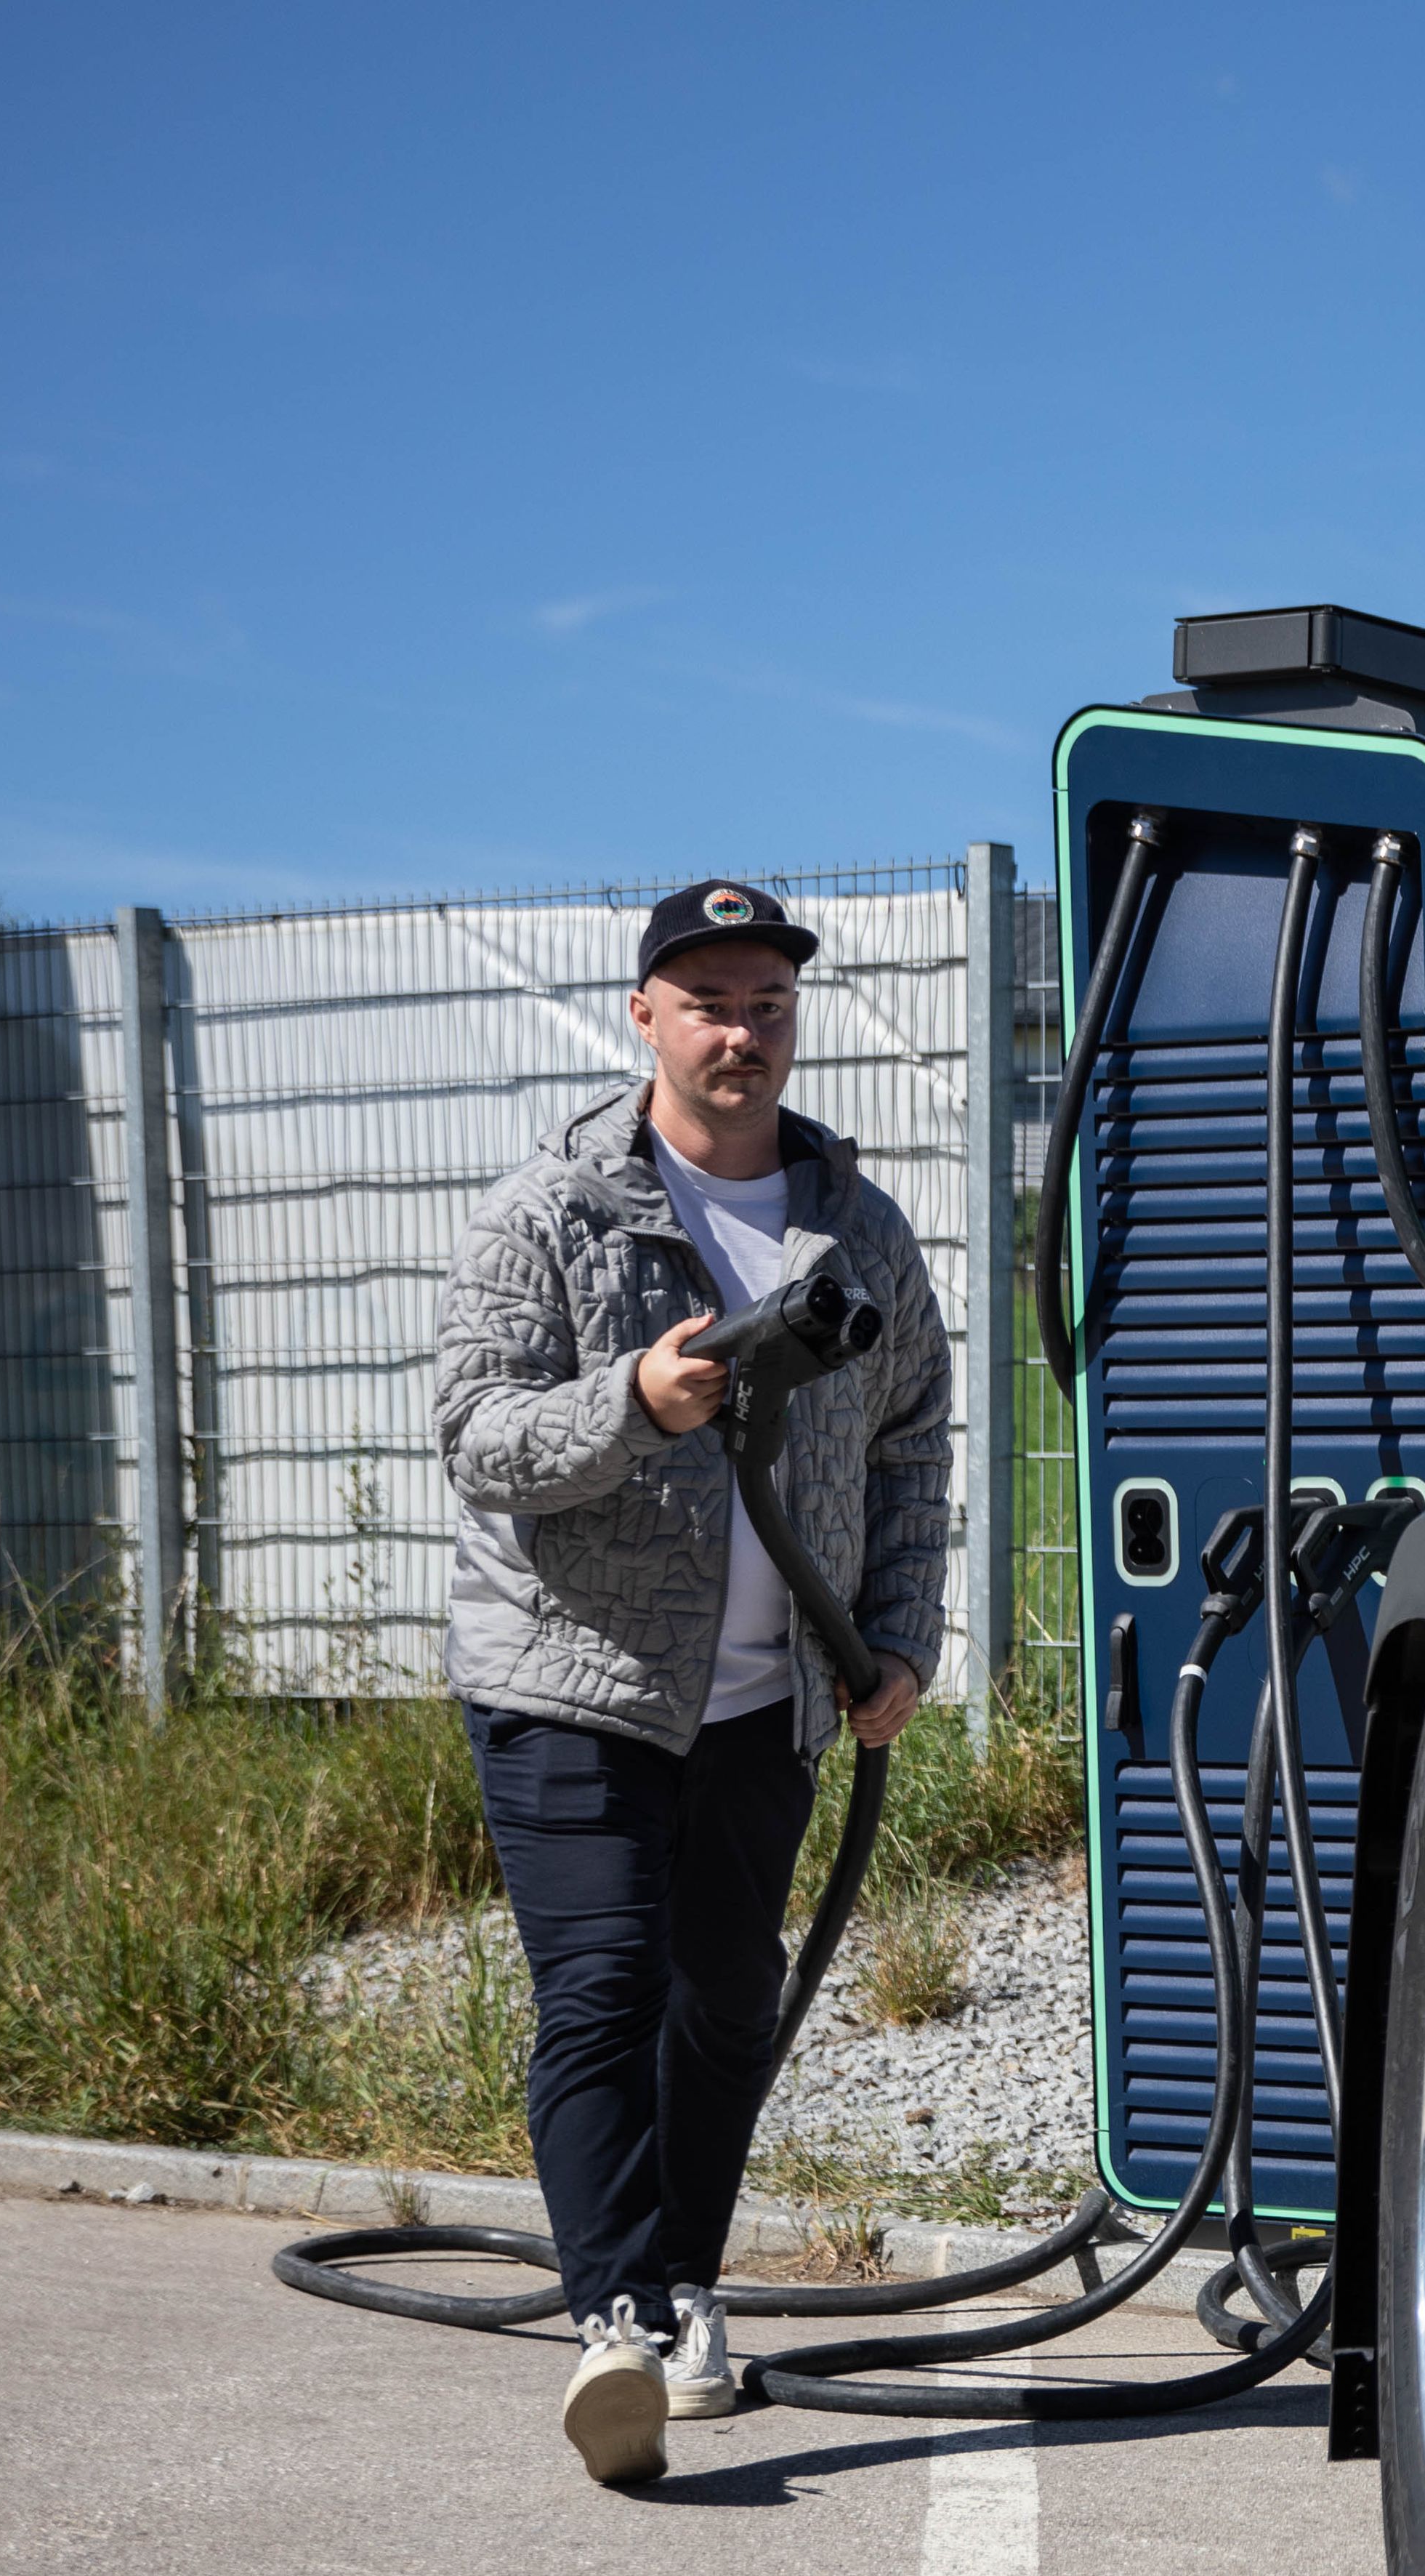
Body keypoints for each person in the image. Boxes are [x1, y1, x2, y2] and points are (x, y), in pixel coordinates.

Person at [432, 878, 948, 2485]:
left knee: (723, 2002)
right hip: (573, 1683)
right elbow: (476, 1436)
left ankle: (683, 2284)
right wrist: (634, 1405)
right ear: (644, 1014)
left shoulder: (855, 1225)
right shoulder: (554, 1212)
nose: (744, 1031)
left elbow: (918, 1435)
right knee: (603, 1993)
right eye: (711, 1000)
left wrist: (900, 1636)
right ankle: (610, 2328)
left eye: (770, 1003)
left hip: (770, 1697)